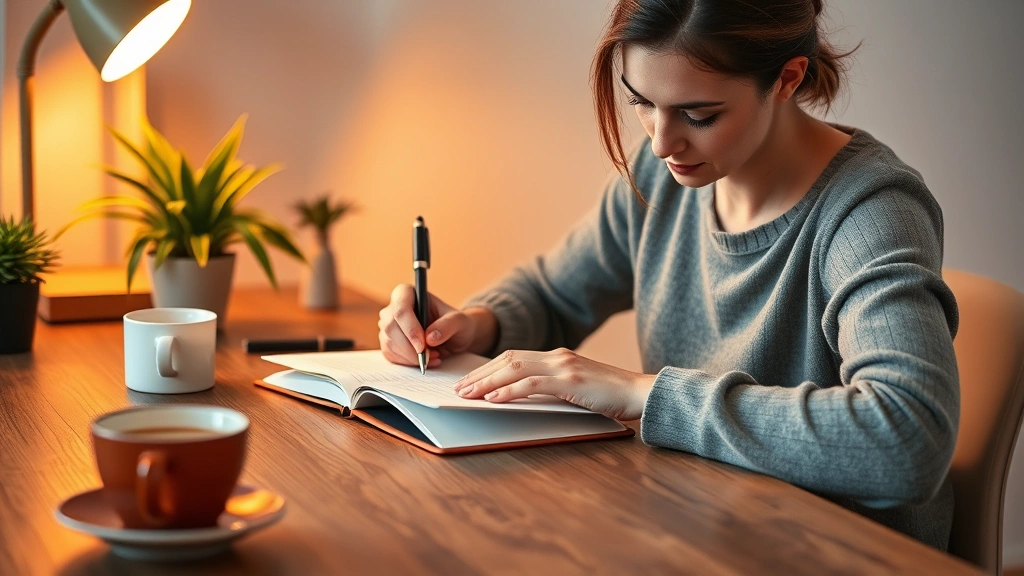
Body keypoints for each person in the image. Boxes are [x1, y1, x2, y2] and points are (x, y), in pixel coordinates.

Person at [377, 0, 959, 550]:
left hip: (831, 550)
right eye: (640, 102)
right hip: (698, 525)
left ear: (787, 78)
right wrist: (472, 325)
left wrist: (643, 392)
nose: (660, 142)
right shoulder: (665, 180)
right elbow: (554, 292)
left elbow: (907, 438)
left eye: (699, 115)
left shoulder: (871, 213)